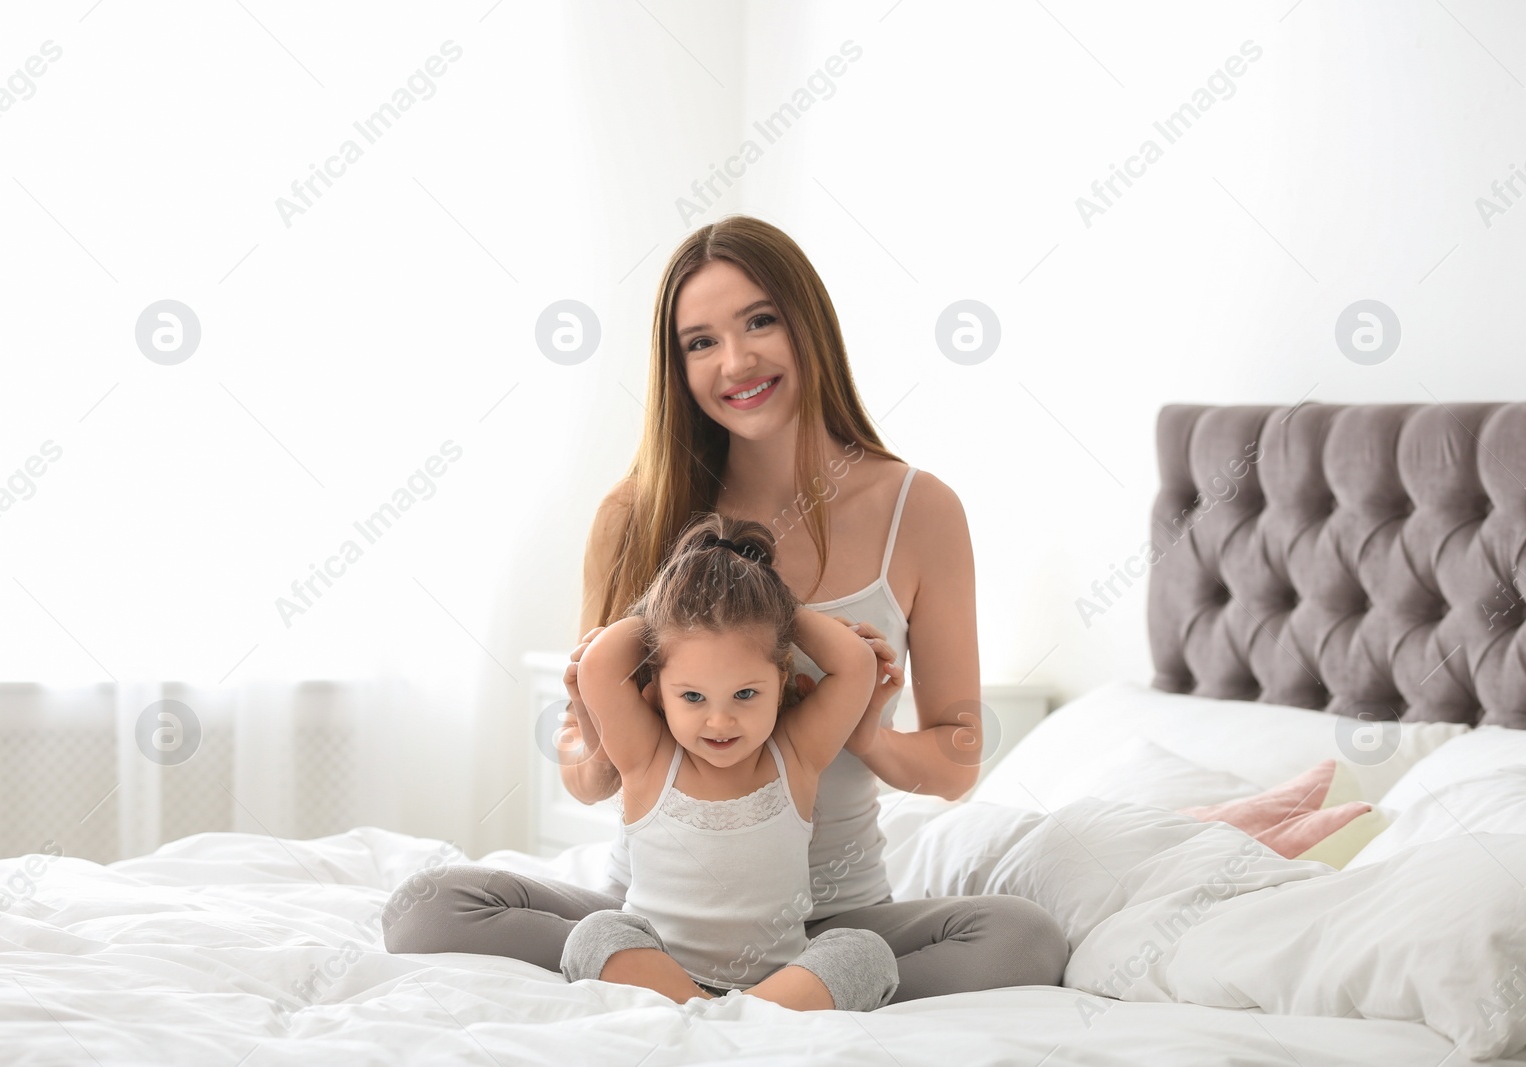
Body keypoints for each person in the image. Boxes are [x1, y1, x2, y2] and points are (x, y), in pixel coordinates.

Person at [382, 215, 1069, 1000]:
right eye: (700, 341)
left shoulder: (921, 509)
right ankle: (719, 997)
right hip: (655, 915)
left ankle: (753, 994)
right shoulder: (633, 514)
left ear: (808, 323)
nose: (735, 361)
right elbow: (584, 774)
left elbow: (957, 759)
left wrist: (868, 731)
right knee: (425, 906)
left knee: (1026, 939)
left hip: (835, 916)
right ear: (676, 365)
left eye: (760, 321)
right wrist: (598, 732)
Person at [560, 514, 901, 1011]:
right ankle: (735, 1015)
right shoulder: (649, 760)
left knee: (866, 953)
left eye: (745, 693)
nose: (720, 721)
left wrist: (769, 605)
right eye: (693, 696)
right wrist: (679, 601)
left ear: (781, 680)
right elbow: (599, 664)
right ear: (658, 690)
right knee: (597, 933)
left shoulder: (794, 757)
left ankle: (725, 1015)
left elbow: (855, 663)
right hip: (662, 966)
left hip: (780, 975)